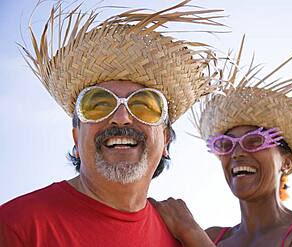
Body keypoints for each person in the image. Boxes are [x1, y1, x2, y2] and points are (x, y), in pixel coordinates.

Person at [0, 1, 224, 246]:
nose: (121, 117)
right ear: (76, 139)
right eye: (98, 104)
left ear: (166, 140)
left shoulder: (180, 239)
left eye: (144, 105)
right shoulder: (17, 227)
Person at [150, 37, 292, 246]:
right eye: (225, 144)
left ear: (287, 161)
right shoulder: (214, 237)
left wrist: (191, 233)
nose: (236, 153)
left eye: (254, 141)